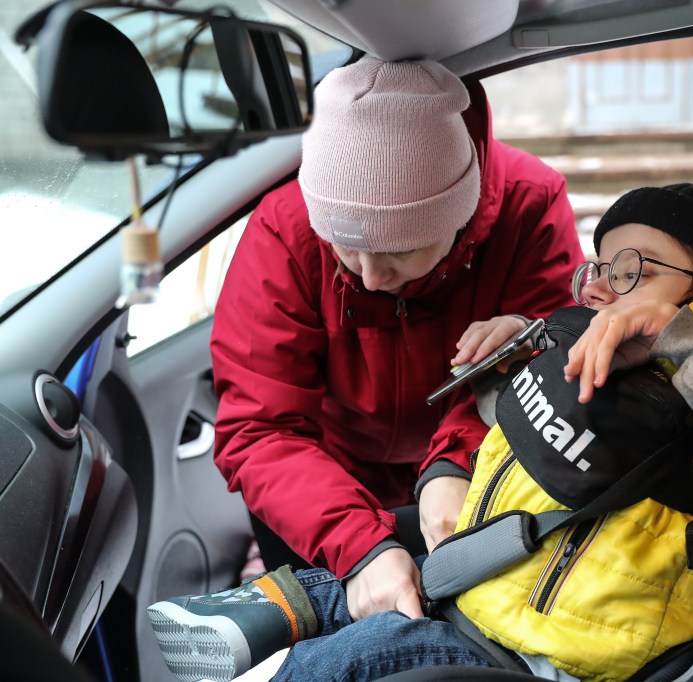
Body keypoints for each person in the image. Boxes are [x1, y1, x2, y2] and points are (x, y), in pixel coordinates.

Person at [148, 183, 693, 682]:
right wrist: (511, 360)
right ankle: (284, 605)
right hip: (497, 581)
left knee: (352, 657)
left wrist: (682, 336)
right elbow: (528, 434)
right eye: (599, 268)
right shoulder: (619, 350)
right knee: (377, 567)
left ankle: (287, 655)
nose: (600, 287)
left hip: (555, 646)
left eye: (633, 271)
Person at [208, 53, 583, 631]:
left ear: (459, 216)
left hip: (485, 466)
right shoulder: (286, 228)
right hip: (321, 482)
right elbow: (261, 427)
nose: (369, 278)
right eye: (345, 250)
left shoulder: (528, 206)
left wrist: (455, 464)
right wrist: (357, 544)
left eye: (399, 252)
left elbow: (545, 362)